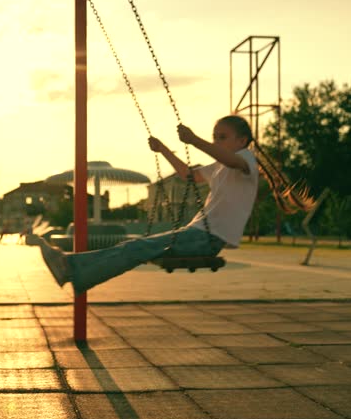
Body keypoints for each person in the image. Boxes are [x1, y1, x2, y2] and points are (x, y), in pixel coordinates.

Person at [39, 115, 259, 293]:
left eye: (222, 137)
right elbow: (187, 174)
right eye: (214, 138)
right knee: (134, 247)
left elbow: (232, 161)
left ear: (242, 140)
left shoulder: (246, 159)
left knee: (135, 247)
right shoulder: (219, 166)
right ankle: (77, 273)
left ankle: (70, 267)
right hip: (195, 233)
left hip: (208, 238)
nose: (215, 143)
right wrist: (163, 149)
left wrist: (194, 140)